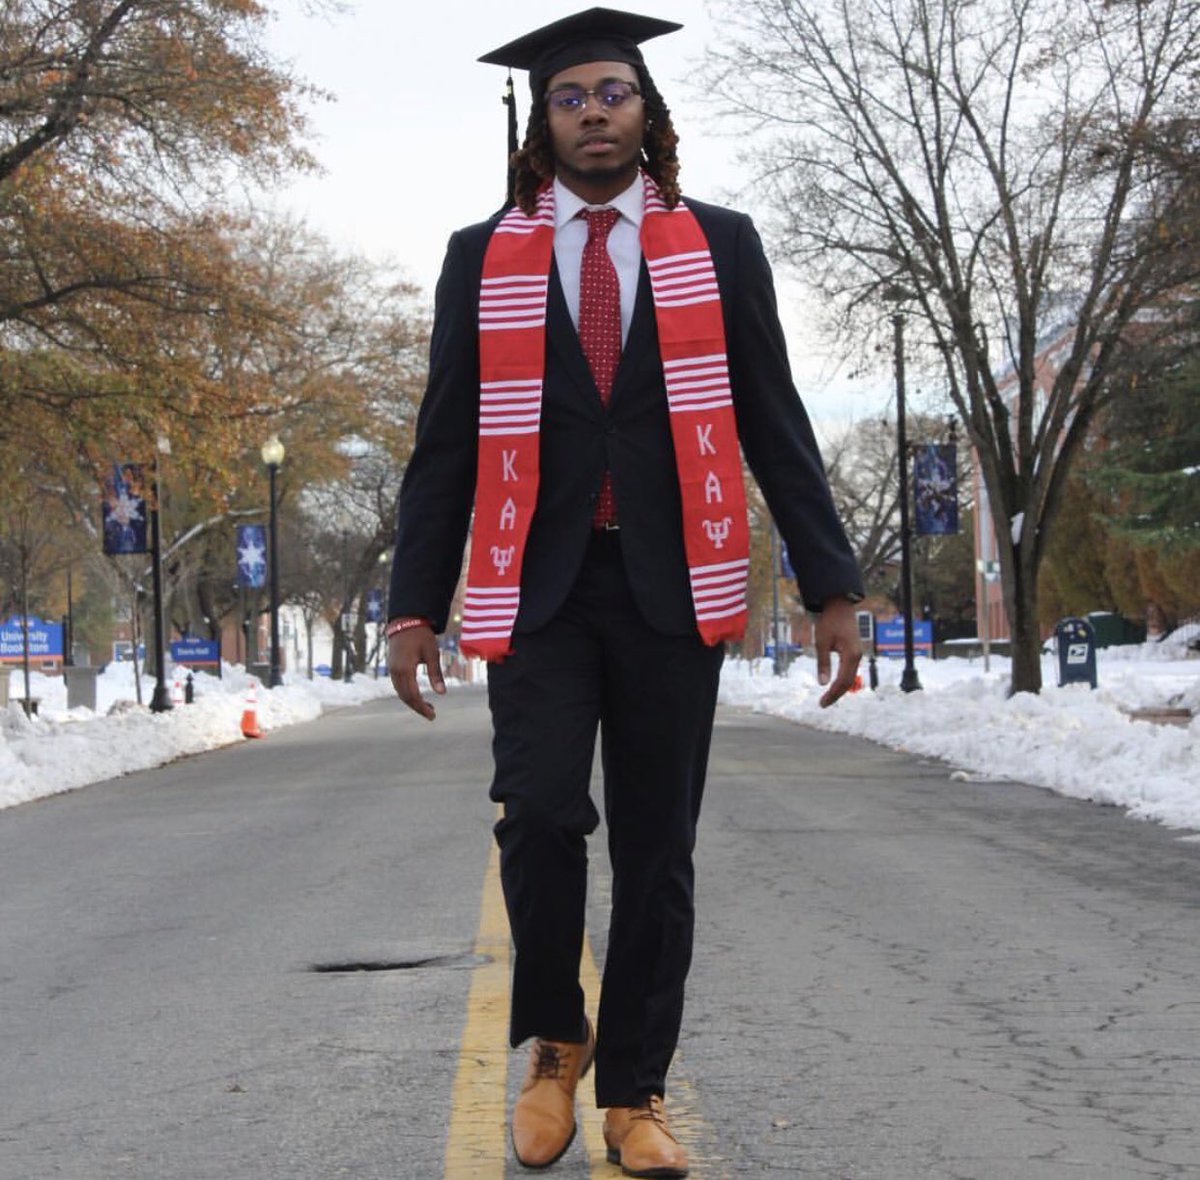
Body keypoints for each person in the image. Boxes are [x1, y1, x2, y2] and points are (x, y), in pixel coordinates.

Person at [386, 8, 864, 1175]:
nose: (593, 111)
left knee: (659, 851)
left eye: (613, 92)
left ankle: (634, 1095)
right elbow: (447, 440)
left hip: (674, 578)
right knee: (540, 816)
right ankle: (557, 1035)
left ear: (647, 114)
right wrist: (411, 603)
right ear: (541, 124)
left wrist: (830, 582)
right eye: (570, 97)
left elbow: (773, 420)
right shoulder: (481, 254)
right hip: (535, 587)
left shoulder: (723, 245)